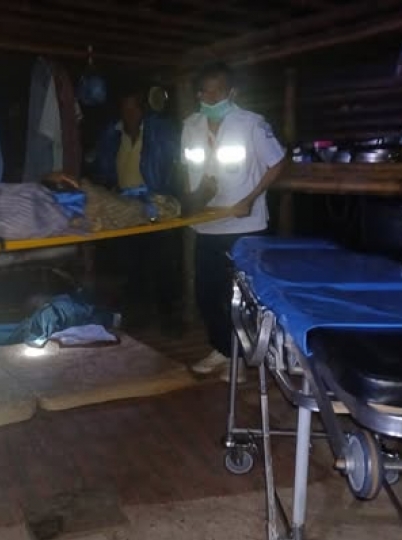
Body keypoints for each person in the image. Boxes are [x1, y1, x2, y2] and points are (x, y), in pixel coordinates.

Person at [182, 62, 286, 381]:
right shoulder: (191, 125)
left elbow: (277, 163)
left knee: (240, 297)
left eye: (217, 91)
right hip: (207, 223)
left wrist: (250, 199)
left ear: (232, 93)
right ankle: (222, 349)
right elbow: (189, 173)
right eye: (204, 92)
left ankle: (241, 358)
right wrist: (191, 202)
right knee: (206, 293)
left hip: (245, 226)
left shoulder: (251, 124)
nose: (210, 98)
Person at [93, 86, 182, 335]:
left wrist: (170, 193)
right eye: (125, 108)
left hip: (156, 206)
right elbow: (104, 167)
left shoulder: (157, 131)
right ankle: (139, 317)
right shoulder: (112, 135)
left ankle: (170, 319)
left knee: (163, 265)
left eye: (133, 108)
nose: (129, 113)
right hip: (126, 209)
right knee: (132, 266)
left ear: (143, 109)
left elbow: (172, 161)